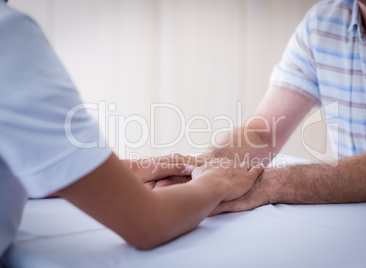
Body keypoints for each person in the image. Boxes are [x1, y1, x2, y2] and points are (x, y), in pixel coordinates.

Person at [0, 0, 265, 261]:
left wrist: (132, 170)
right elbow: (147, 223)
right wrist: (219, 181)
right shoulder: (9, 34)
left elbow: (23, 159)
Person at [149, 0, 366, 215]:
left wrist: (265, 184)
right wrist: (203, 168)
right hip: (357, 225)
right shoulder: (322, 24)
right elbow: (263, 131)